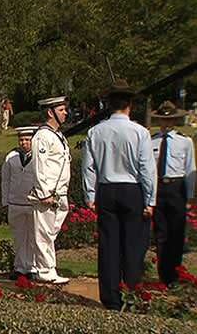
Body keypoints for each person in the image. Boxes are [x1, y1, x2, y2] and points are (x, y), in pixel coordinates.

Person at [81, 80, 157, 310]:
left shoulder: (96, 131)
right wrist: (151, 199)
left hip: (106, 189)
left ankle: (111, 298)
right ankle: (131, 294)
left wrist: (90, 196)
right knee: (133, 245)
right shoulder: (140, 132)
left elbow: (88, 167)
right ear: (129, 105)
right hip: (132, 189)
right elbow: (147, 168)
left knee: (109, 245)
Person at [150, 101, 195, 285]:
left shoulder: (185, 142)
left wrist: (189, 196)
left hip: (176, 188)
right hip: (158, 187)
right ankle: (163, 274)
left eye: (170, 120)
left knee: (176, 233)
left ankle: (174, 274)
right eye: (163, 120)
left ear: (175, 121)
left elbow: (190, 168)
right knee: (161, 233)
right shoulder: (152, 140)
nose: (166, 124)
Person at [30, 96, 71, 284]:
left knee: (50, 233)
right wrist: (44, 192)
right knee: (44, 232)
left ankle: (42, 265)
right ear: (50, 112)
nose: (65, 113)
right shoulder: (42, 136)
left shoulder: (58, 135)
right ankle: (45, 270)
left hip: (60, 192)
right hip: (48, 193)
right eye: (61, 110)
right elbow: (40, 166)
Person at [2, 126, 38, 280]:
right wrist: (5, 201)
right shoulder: (11, 156)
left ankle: (33, 267)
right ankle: (19, 267)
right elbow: (6, 179)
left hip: (33, 203)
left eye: (27, 140)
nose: (24, 143)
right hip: (15, 202)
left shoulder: (39, 156)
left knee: (33, 237)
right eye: (21, 140)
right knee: (19, 237)